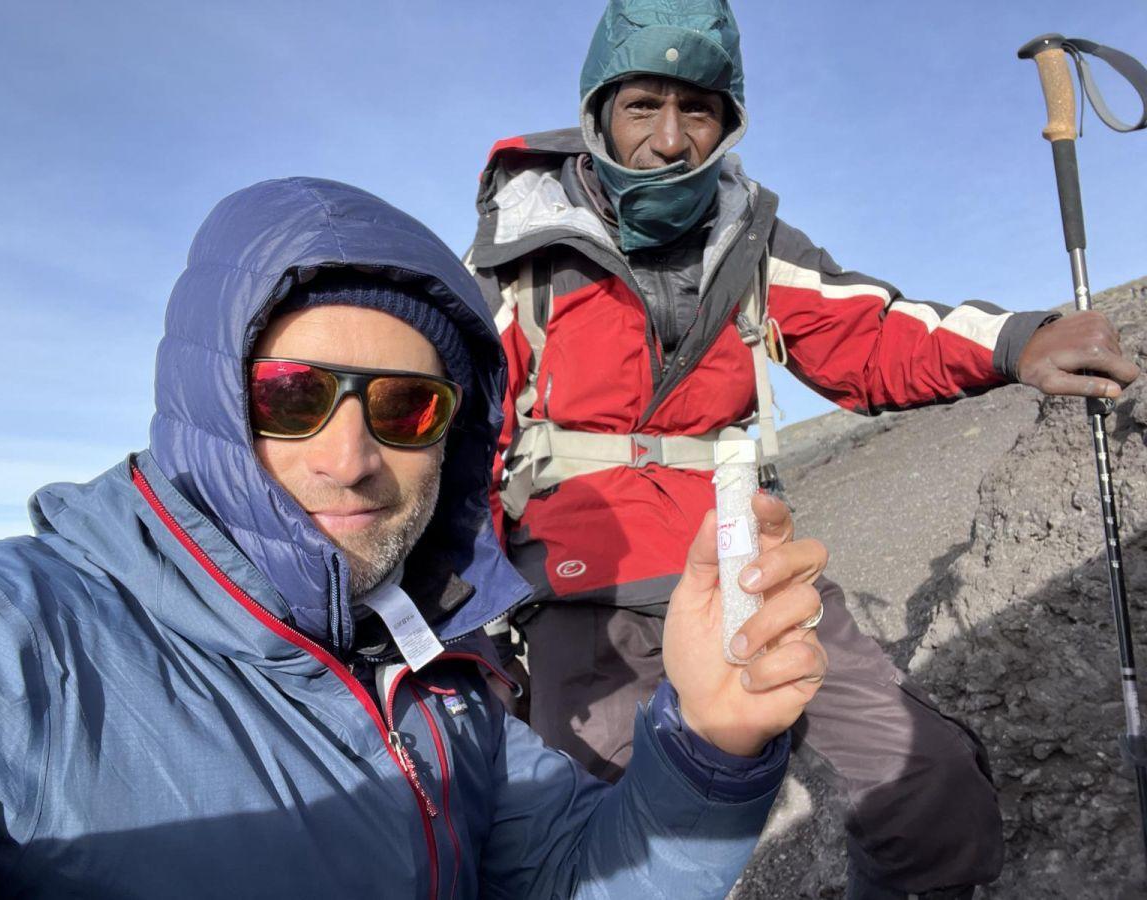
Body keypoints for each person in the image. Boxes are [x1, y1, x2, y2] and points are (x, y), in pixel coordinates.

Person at [0, 176, 832, 898]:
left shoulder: (440, 675)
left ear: (456, 433)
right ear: (209, 404)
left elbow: (572, 879)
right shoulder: (0, 646)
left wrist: (710, 739)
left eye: (407, 406)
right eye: (291, 396)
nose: (350, 459)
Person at [465, 2, 1141, 898]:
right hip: (583, 600)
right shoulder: (518, 259)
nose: (670, 138)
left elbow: (869, 333)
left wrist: (1018, 340)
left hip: (750, 573)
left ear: (728, 122)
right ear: (598, 115)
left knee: (928, 787)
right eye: (643, 106)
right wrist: (469, 642)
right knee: (609, 856)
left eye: (698, 109)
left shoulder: (751, 241)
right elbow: (461, 445)